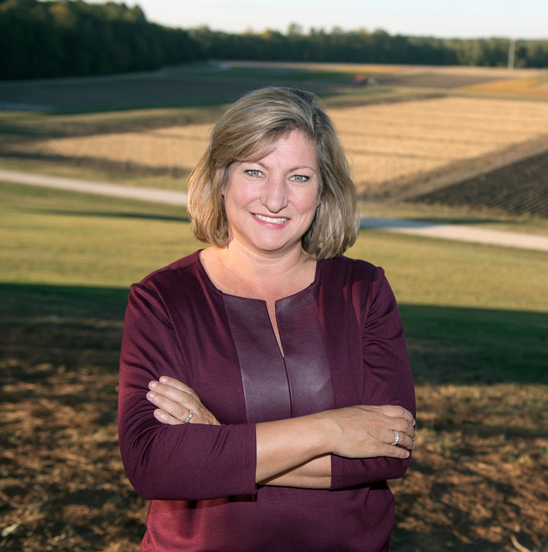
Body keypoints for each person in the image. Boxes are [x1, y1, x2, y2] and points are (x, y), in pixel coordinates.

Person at [118, 86, 416, 551]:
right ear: (221, 180)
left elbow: (389, 449)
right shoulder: (162, 300)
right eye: (255, 171)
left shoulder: (364, 291)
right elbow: (153, 462)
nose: (275, 199)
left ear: (323, 190)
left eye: (299, 177)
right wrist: (331, 428)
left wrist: (217, 442)